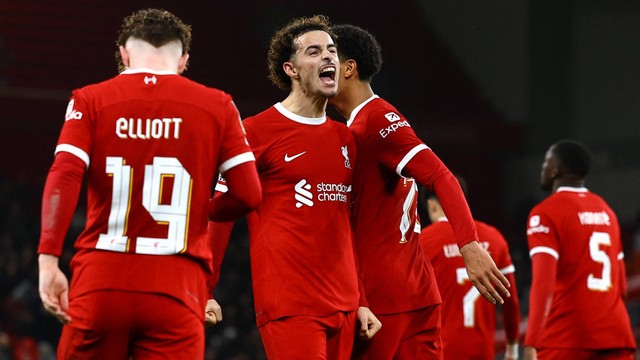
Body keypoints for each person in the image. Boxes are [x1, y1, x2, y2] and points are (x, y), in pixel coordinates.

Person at [37, 8, 261, 359]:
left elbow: (64, 174)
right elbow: (248, 193)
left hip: (101, 281)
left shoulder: (89, 99)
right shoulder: (219, 106)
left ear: (124, 53)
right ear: (183, 59)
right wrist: (202, 210)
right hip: (177, 287)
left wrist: (48, 261)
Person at [328, 24, 511, 359]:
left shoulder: (375, 120)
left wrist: (468, 245)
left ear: (349, 68)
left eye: (328, 59)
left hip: (384, 297)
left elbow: (442, 176)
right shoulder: (360, 125)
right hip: (417, 292)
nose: (322, 69)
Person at [208, 15, 380, 359]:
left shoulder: (347, 137)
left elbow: (348, 226)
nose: (329, 57)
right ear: (291, 69)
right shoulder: (256, 131)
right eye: (314, 52)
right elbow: (221, 214)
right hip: (291, 304)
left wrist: (361, 299)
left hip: (345, 306)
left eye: (332, 50)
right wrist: (204, 288)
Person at [524, 139, 636, 360]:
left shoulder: (545, 213)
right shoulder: (607, 211)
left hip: (567, 337)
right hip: (616, 335)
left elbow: (543, 282)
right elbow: (620, 284)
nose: (542, 167)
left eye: (546, 161)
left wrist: (531, 342)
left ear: (556, 169)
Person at [419, 178, 521, 360]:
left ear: (432, 205)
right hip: (482, 351)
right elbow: (510, 300)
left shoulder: (421, 242)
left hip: (439, 350)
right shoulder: (494, 238)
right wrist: (512, 347)